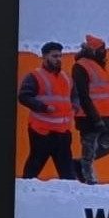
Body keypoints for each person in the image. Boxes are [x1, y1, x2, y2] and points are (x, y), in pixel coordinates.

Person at [18, 41, 77, 179]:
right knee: (33, 168)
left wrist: (76, 105)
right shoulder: (34, 76)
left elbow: (74, 95)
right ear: (44, 57)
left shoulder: (66, 77)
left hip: (63, 132)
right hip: (42, 132)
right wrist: (43, 107)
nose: (58, 59)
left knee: (68, 174)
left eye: (60, 56)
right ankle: (26, 190)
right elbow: (24, 96)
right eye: (54, 56)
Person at [72, 35, 109, 184]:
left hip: (106, 115)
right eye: (102, 49)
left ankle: (80, 164)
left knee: (107, 147)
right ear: (93, 50)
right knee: (89, 149)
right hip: (89, 116)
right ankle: (88, 181)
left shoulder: (98, 65)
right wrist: (95, 118)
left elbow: (103, 91)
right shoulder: (81, 66)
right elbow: (83, 95)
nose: (104, 52)